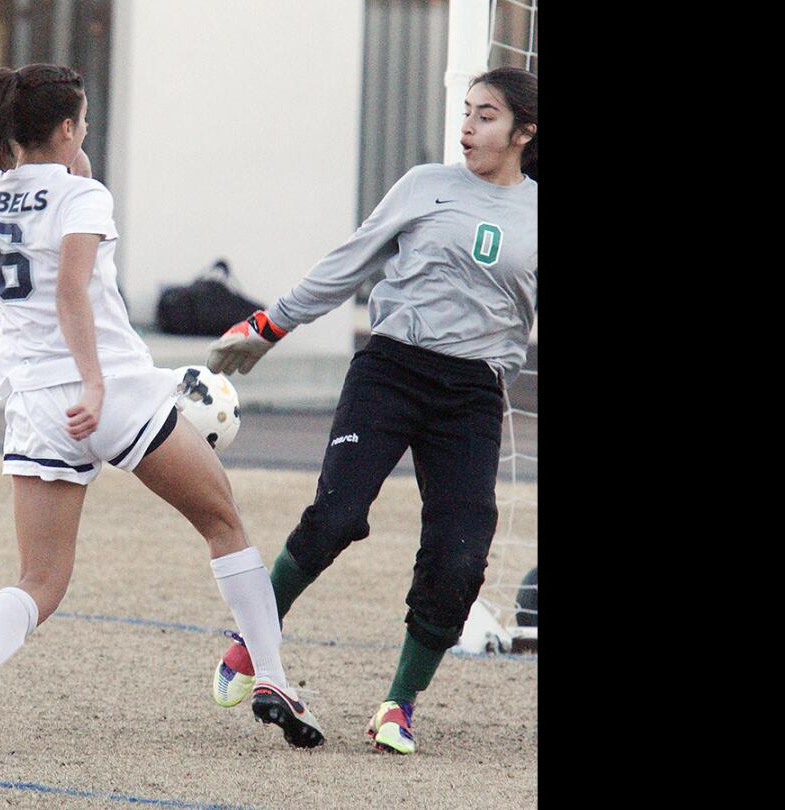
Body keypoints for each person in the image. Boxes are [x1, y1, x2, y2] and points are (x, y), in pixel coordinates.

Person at [0, 63, 324, 749]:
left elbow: (45, 217)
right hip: (112, 393)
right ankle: (274, 675)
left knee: (40, 578)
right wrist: (97, 383)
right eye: (83, 124)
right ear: (67, 127)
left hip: (35, 399)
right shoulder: (84, 199)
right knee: (222, 520)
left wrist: (61, 151)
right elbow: (73, 289)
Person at [205, 66, 537, 755]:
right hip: (391, 369)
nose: (467, 127)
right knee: (336, 517)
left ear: (524, 133)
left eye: (485, 117)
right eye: (467, 112)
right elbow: (351, 261)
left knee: (459, 558)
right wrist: (270, 325)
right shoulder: (426, 185)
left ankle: (398, 705)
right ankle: (251, 641)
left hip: (472, 394)